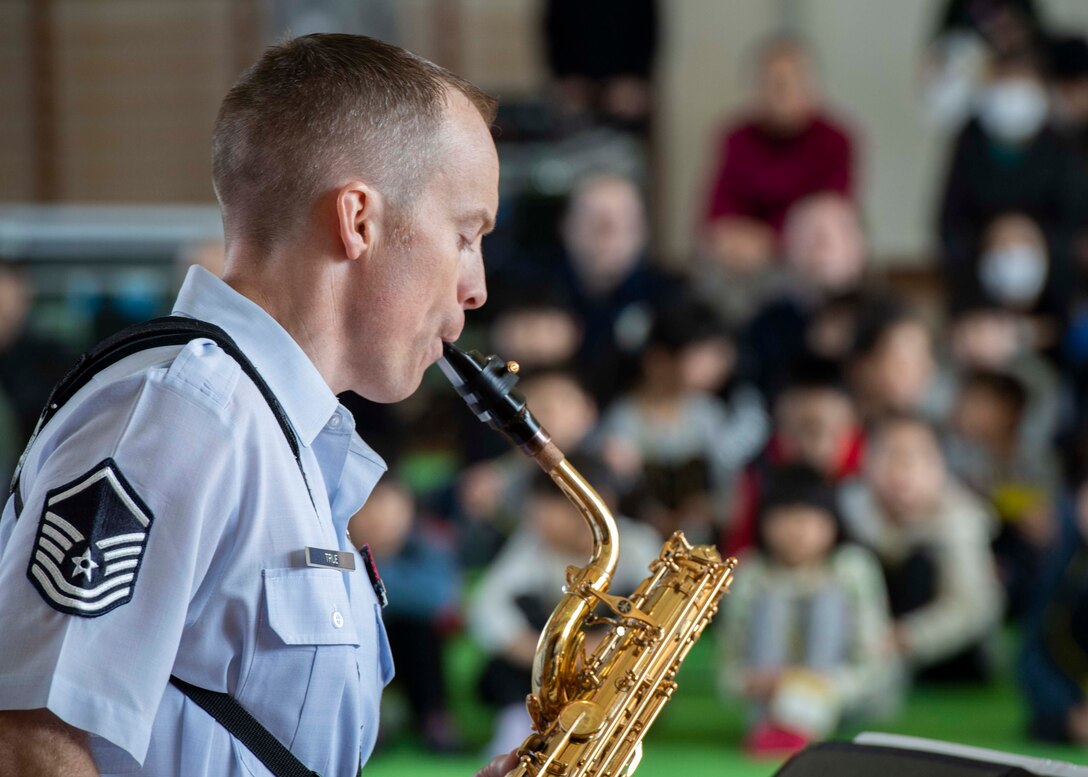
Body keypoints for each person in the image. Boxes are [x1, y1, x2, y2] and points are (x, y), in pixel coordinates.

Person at [0, 34, 515, 777]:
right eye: (466, 236)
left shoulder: (271, 431)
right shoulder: (180, 414)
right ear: (359, 220)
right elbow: (28, 743)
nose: (477, 288)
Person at [717, 464, 897, 757]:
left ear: (833, 522)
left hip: (844, 701)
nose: (798, 529)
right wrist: (759, 682)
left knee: (827, 601)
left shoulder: (852, 568)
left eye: (811, 517)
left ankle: (801, 725)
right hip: (769, 698)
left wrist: (816, 685)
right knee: (772, 601)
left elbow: (873, 664)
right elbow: (730, 667)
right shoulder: (750, 572)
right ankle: (774, 727)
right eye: (785, 516)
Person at [840, 414, 1003, 680]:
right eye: (891, 455)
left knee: (920, 566)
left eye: (917, 458)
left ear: (939, 466)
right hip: (870, 640)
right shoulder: (847, 508)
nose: (903, 470)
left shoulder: (960, 517)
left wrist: (907, 639)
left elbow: (970, 609)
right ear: (867, 461)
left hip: (950, 655)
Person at [701, 36, 856, 275]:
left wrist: (771, 240)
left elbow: (831, 208)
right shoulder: (736, 138)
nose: (783, 94)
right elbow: (719, 208)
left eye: (793, 82)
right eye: (774, 84)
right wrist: (734, 237)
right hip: (744, 253)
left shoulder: (836, 140)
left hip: (806, 252)